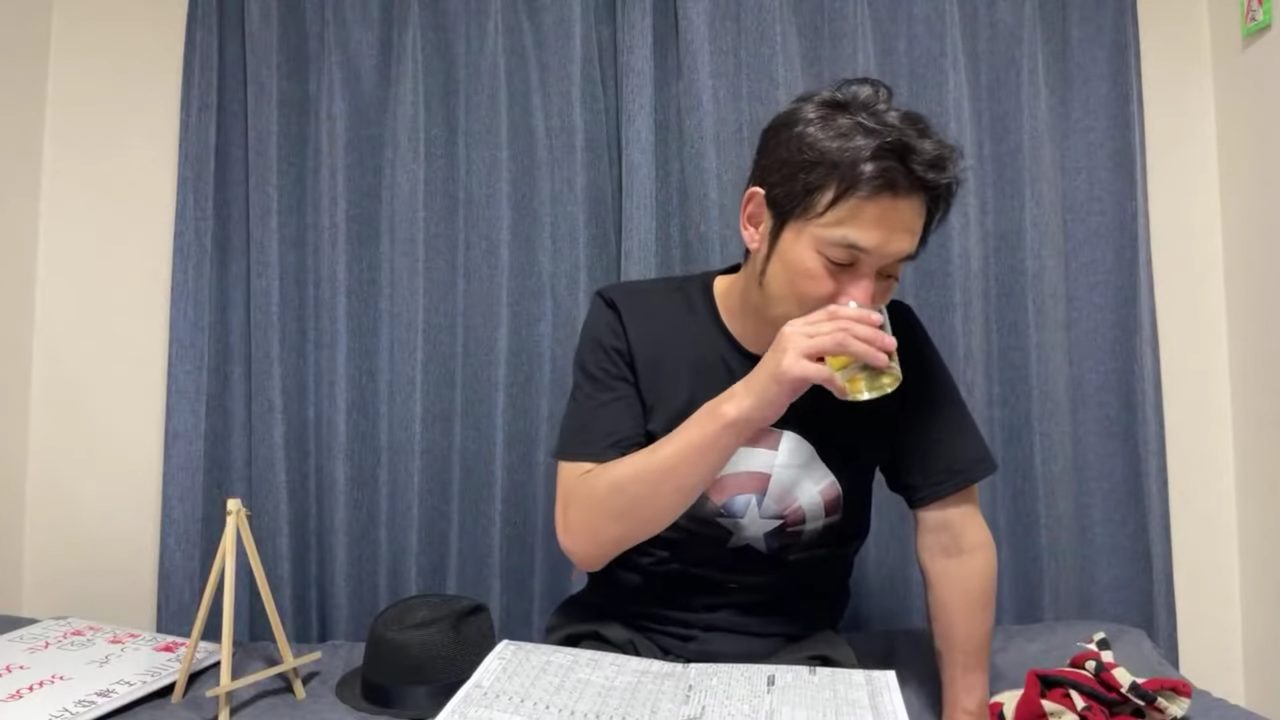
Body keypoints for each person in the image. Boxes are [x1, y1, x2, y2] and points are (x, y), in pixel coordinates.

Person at [545, 77, 998, 720]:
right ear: (757, 220)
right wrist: (756, 396)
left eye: (889, 273)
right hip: (620, 646)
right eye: (840, 261)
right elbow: (585, 538)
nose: (861, 301)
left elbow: (954, 531)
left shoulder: (891, 342)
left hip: (794, 660)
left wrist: (967, 712)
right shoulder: (632, 319)